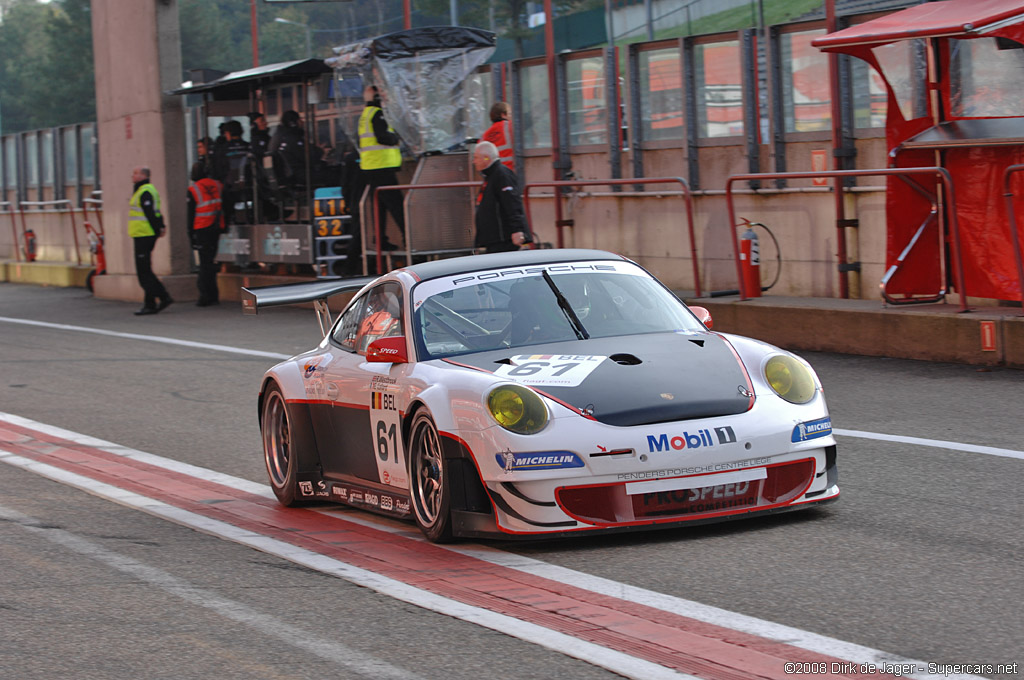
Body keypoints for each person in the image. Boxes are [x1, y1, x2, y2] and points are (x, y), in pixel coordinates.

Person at [358, 84, 404, 251]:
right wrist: (397, 138)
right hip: (382, 166)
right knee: (397, 205)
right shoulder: (378, 114)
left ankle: (380, 240)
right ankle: (408, 238)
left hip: (371, 166)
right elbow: (383, 137)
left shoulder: (365, 114)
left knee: (380, 207)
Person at [472, 141, 532, 253]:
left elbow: (512, 203)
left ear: (486, 158)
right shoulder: (491, 176)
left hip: (505, 239)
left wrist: (517, 230)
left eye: (476, 158)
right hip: (496, 239)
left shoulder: (502, 175)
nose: (474, 161)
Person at [128, 166, 173, 315]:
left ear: (143, 176)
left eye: (135, 173)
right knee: (146, 270)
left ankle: (163, 296)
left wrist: (158, 228)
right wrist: (161, 226)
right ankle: (150, 303)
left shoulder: (145, 191)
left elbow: (150, 213)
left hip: (144, 234)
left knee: (144, 272)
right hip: (143, 234)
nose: (132, 176)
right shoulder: (144, 190)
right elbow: (156, 212)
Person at [186, 162, 224, 307]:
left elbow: (191, 214)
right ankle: (213, 295)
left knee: (204, 264)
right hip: (216, 226)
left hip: (202, 228)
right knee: (210, 262)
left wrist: (190, 234)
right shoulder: (218, 185)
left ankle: (206, 296)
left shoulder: (193, 189)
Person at [212, 119, 251, 224]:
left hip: (230, 191)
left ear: (227, 134)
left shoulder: (223, 150)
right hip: (250, 189)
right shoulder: (248, 147)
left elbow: (217, 171)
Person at [270, 109, 308, 190]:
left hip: (288, 175)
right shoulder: (290, 138)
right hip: (295, 175)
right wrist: (320, 151)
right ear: (293, 123)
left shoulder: (279, 135)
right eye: (299, 119)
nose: (302, 122)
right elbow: (306, 157)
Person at [481, 102, 515, 172]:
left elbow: (480, 157)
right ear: (503, 115)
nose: (511, 116)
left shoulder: (485, 135)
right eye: (510, 114)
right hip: (510, 171)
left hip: (493, 174)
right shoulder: (510, 126)